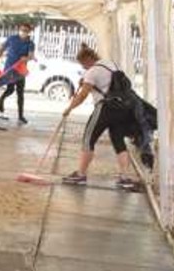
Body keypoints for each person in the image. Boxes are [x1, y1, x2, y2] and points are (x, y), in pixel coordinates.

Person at [59, 43, 141, 191]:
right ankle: (125, 178)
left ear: (88, 59)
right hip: (121, 109)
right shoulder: (110, 64)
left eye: (83, 64)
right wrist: (87, 82)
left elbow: (82, 95)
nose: (84, 68)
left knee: (88, 139)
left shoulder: (92, 72)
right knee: (118, 142)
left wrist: (69, 108)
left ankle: (80, 175)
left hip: (105, 108)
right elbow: (106, 84)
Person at [0, 20, 35, 125]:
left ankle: (21, 116)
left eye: (25, 30)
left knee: (20, 93)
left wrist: (26, 58)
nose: (23, 32)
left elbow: (31, 56)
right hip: (10, 69)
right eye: (21, 30)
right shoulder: (12, 39)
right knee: (10, 89)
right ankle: (1, 99)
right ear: (19, 30)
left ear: (29, 32)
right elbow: (1, 49)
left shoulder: (30, 43)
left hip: (21, 70)